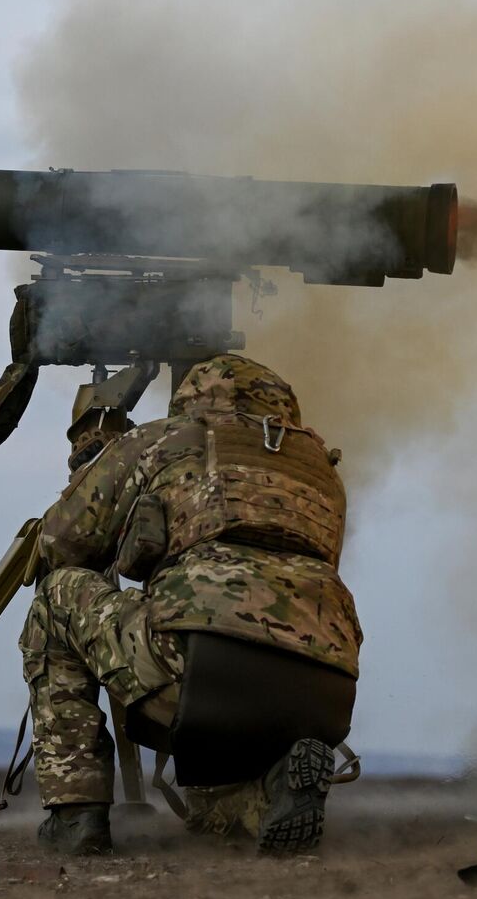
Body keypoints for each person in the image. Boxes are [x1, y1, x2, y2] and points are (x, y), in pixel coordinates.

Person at [19, 353, 360, 855]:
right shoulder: (323, 471)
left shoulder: (163, 439)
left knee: (57, 596)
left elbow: (60, 544)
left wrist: (95, 470)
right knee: (217, 810)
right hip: (320, 692)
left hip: (201, 666)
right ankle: (275, 788)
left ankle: (76, 813)